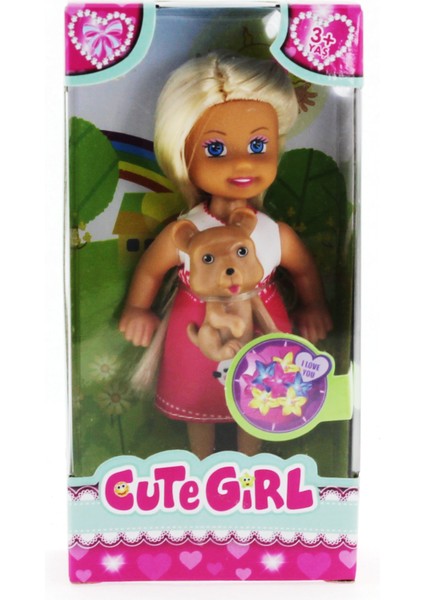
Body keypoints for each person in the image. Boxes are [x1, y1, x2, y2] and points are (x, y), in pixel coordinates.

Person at [119, 52, 332, 458]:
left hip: (263, 323)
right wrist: (137, 308)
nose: (242, 162)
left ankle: (251, 465)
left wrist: (314, 305)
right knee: (197, 397)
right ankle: (200, 464)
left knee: (263, 394)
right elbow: (150, 271)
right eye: (215, 148)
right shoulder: (186, 230)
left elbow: (304, 271)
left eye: (258, 145)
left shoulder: (271, 232)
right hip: (194, 323)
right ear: (183, 150)